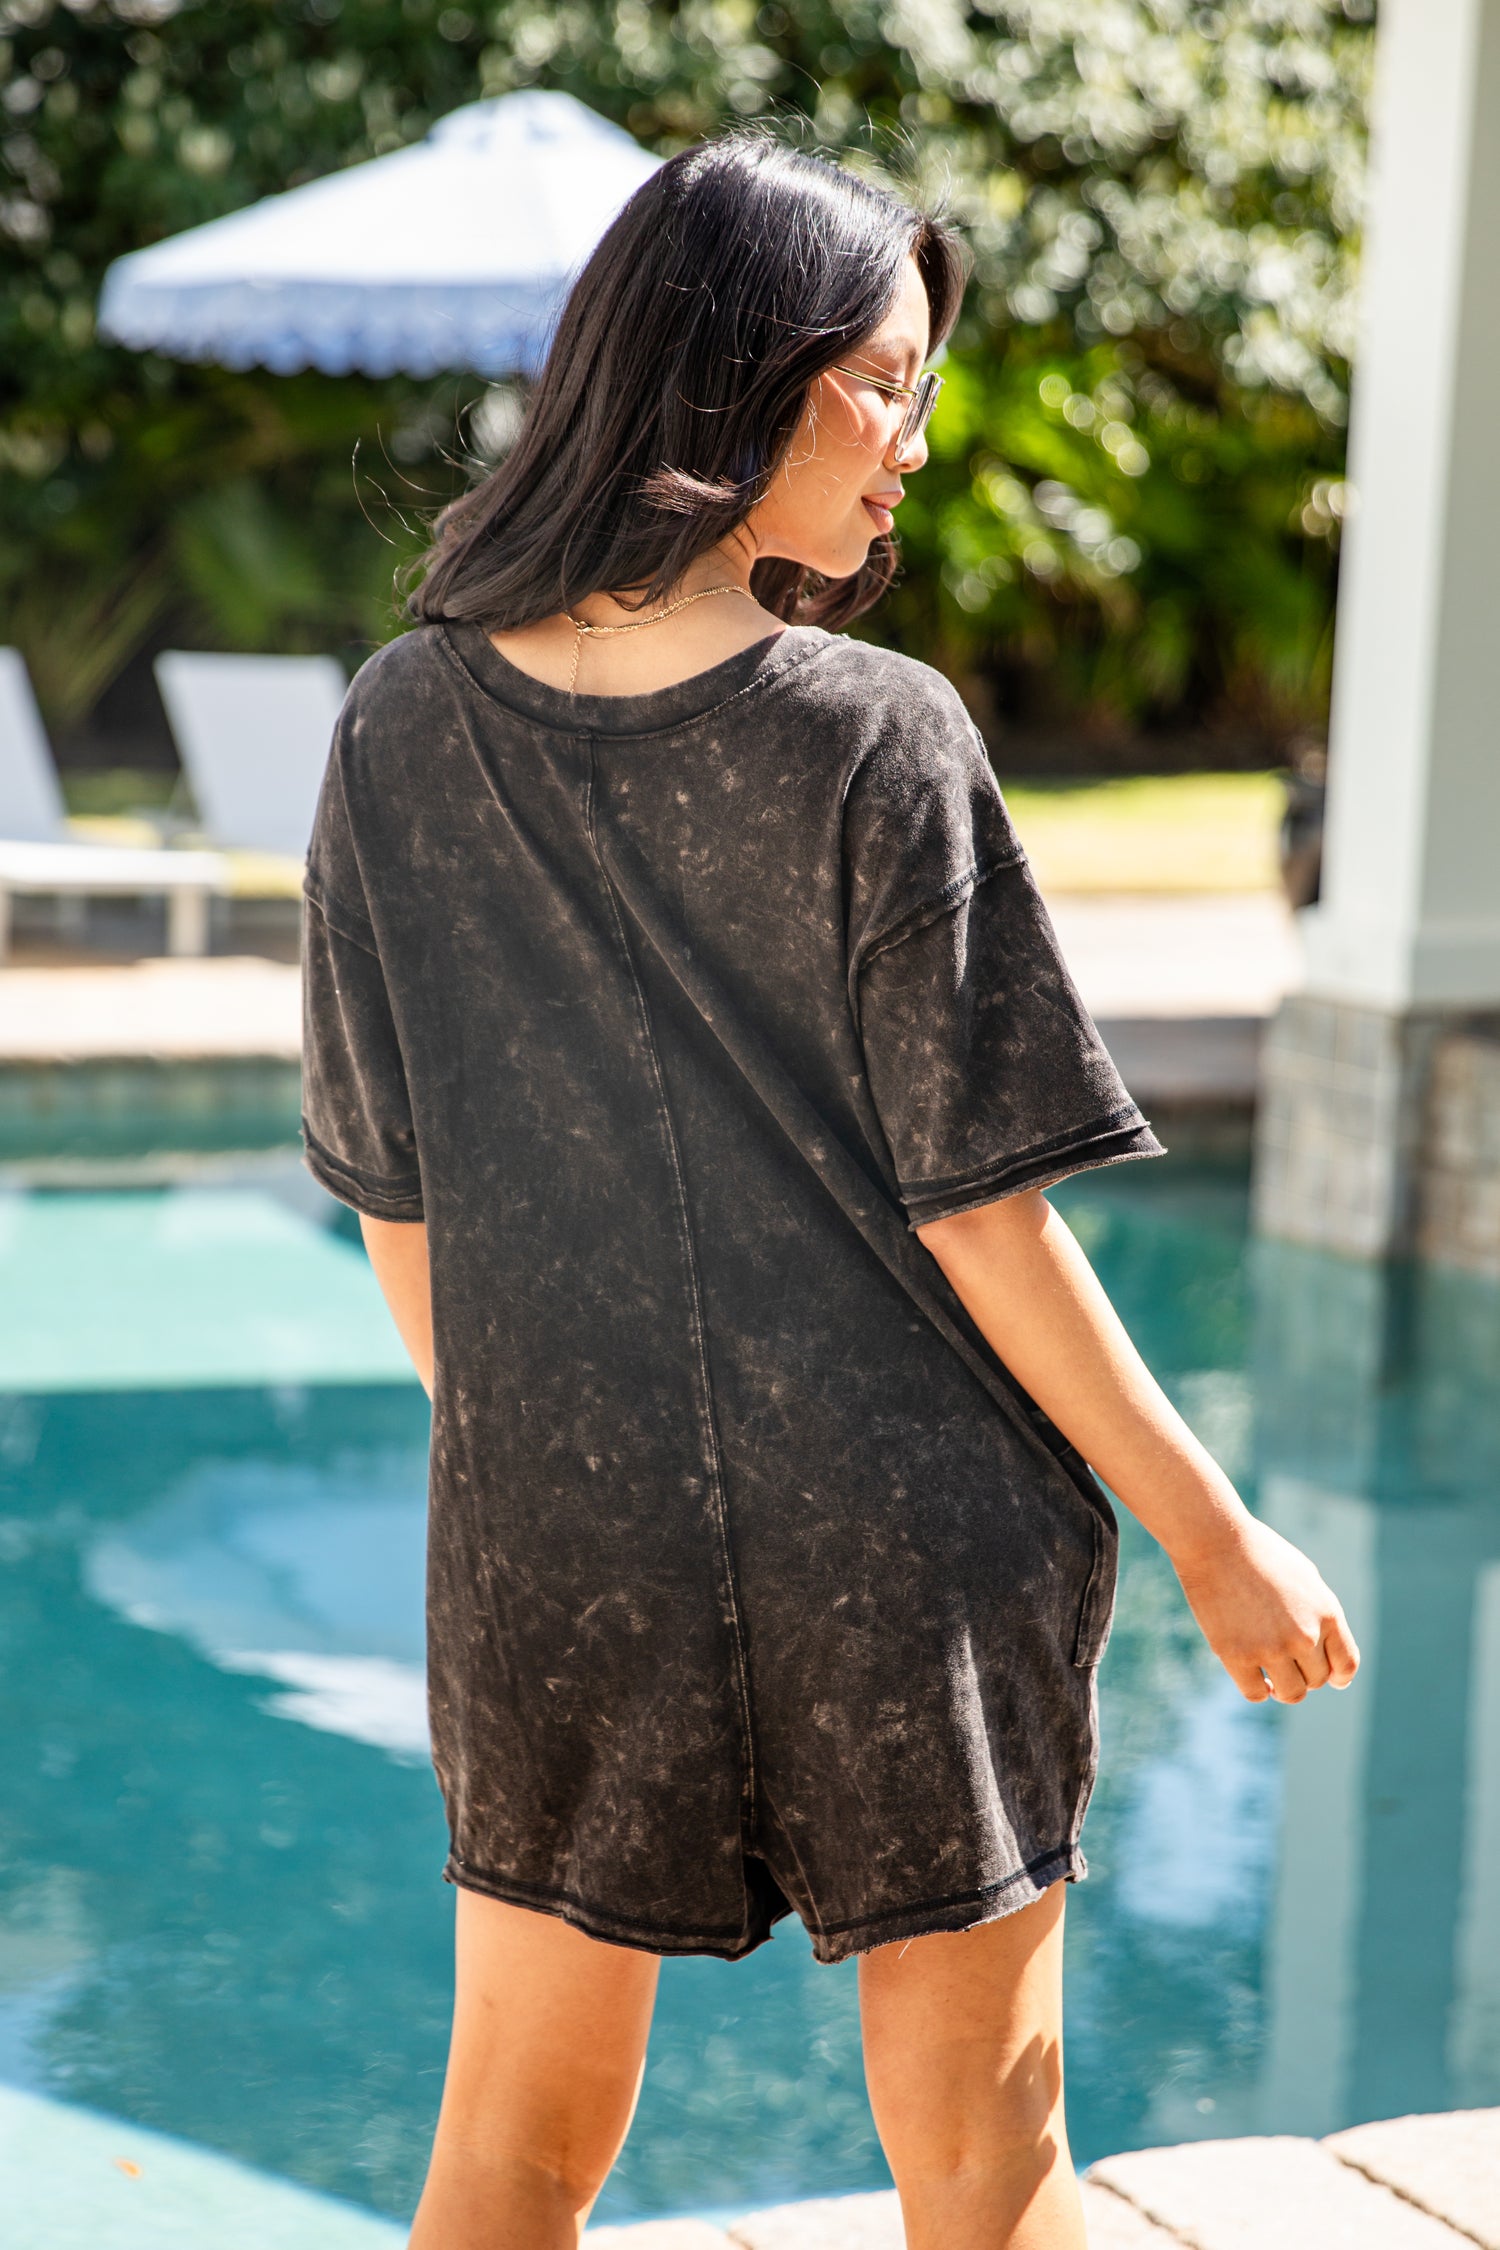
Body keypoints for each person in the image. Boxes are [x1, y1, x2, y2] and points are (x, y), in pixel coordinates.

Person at [299, 132, 1359, 2250]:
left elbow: (394, 1207)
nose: (912, 446)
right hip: (905, 1538)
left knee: (511, 2148)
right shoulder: (880, 740)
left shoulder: (398, 729)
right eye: (883, 384)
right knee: (980, 2154)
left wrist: (542, 1465)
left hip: (560, 1543)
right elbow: (989, 1215)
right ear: (737, 376)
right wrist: (1216, 1533)